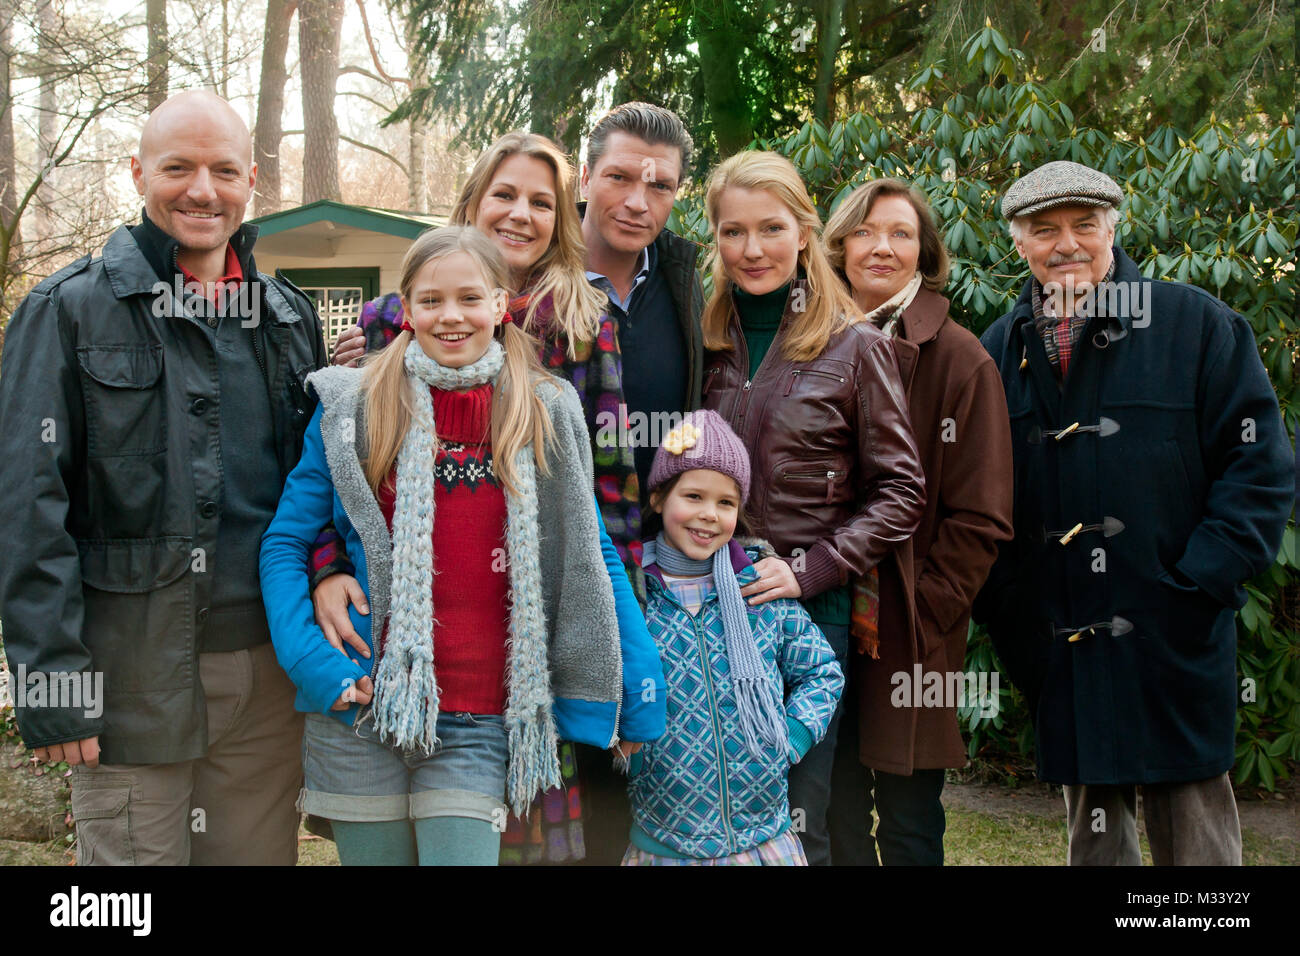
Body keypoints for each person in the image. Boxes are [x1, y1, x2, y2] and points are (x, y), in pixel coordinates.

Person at [322, 116, 700, 862]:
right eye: (504, 195)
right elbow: (343, 482)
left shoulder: (579, 323)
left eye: (540, 202)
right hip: (413, 627)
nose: (519, 215)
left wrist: (611, 645)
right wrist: (330, 565)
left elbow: (610, 502)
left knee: (534, 829)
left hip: (532, 619)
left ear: (562, 219)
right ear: (471, 203)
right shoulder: (392, 322)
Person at [260, 225, 661, 865]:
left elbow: (593, 556)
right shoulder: (353, 407)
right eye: (431, 300)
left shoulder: (544, 410)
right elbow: (286, 542)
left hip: (480, 717)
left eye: (470, 299)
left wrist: (640, 685)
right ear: (407, 308)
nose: (451, 316)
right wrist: (314, 663)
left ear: (500, 306)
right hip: (360, 704)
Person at [0, 90, 326, 864]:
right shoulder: (67, 309)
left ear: (253, 179)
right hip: (130, 681)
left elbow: (319, 494)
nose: (201, 190)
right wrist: (53, 691)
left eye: (222, 170)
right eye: (177, 168)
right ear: (139, 172)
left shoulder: (287, 316)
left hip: (271, 679)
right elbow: (26, 507)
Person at [974, 160, 1294, 865]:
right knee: (1095, 834)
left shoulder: (1197, 325)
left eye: (1085, 225)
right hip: (1061, 637)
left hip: (1175, 624)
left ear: (1114, 228)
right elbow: (975, 496)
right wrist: (1011, 606)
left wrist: (1203, 581)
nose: (1066, 244)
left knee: (1197, 842)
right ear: (1018, 243)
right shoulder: (995, 353)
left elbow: (1261, 469)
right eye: (1044, 229)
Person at [699, 150, 928, 865]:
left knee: (798, 823)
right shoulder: (700, 338)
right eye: (732, 232)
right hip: (701, 609)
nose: (752, 249)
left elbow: (902, 491)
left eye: (771, 228)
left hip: (803, 623)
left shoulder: (854, 345)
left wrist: (812, 570)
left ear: (804, 232)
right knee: (705, 816)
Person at [821, 179, 1015, 865]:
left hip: (907, 628)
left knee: (908, 823)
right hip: (815, 614)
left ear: (924, 254)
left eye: (902, 234)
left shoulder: (961, 358)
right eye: (866, 231)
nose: (882, 247)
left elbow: (982, 517)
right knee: (830, 811)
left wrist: (924, 612)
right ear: (838, 244)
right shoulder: (805, 339)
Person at [626, 410, 843, 864]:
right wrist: (632, 751)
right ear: (658, 497)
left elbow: (822, 671)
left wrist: (792, 736)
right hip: (666, 841)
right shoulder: (634, 596)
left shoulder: (759, 588)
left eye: (726, 503)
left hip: (763, 841)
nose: (709, 514)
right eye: (694, 496)